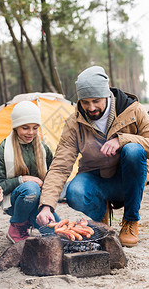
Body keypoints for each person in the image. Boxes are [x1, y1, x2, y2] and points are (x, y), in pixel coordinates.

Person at [36, 65, 149, 248]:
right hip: (96, 177)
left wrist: (122, 140)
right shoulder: (74, 123)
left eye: (96, 101)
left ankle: (130, 221)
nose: (91, 107)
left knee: (133, 151)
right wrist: (47, 205)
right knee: (74, 192)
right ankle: (101, 219)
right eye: (85, 102)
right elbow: (60, 166)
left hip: (127, 180)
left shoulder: (133, 110)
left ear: (106, 95)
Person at [0, 100, 60, 243]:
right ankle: (17, 225)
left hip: (39, 202)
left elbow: (53, 179)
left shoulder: (43, 149)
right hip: (14, 203)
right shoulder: (4, 149)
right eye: (25, 128)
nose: (31, 133)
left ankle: (30, 220)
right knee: (31, 189)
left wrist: (46, 207)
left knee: (58, 234)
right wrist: (22, 180)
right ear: (16, 127)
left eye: (35, 128)